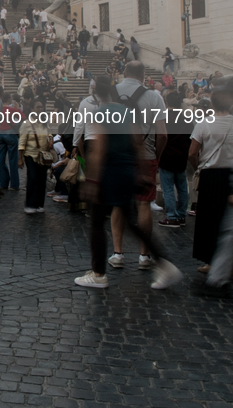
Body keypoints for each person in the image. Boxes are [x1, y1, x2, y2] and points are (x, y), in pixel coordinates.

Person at [74, 75, 182, 290]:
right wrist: (142, 173)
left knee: (96, 222)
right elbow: (138, 144)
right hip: (127, 171)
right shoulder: (127, 113)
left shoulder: (99, 113)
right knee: (130, 220)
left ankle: (98, 273)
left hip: (109, 172)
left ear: (97, 94)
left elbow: (99, 148)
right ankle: (163, 263)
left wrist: (92, 180)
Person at [109, 62, 167, 271]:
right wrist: (156, 157)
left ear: (123, 73)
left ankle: (117, 253)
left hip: (117, 156)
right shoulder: (154, 96)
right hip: (147, 155)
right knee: (144, 204)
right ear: (144, 75)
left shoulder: (110, 92)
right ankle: (144, 256)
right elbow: (163, 135)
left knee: (117, 204)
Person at [189, 88, 233, 274]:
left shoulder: (204, 123)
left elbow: (192, 152)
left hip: (210, 175)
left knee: (208, 219)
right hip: (230, 175)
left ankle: (209, 261)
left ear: (213, 103)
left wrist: (198, 166)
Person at [157, 91, 193, 227]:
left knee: (168, 189)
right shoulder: (187, 119)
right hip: (182, 158)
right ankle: (182, 215)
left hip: (166, 157)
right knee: (182, 187)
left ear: (167, 102)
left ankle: (172, 217)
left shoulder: (164, 118)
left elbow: (160, 137)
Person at [19, 100, 54, 214]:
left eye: (41, 107)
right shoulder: (27, 124)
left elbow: (49, 133)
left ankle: (39, 204)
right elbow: (22, 142)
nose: (40, 109)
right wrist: (20, 158)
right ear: (32, 109)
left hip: (43, 155)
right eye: (38, 107)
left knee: (42, 179)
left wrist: (50, 139)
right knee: (33, 178)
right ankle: (30, 204)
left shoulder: (44, 122)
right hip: (31, 154)